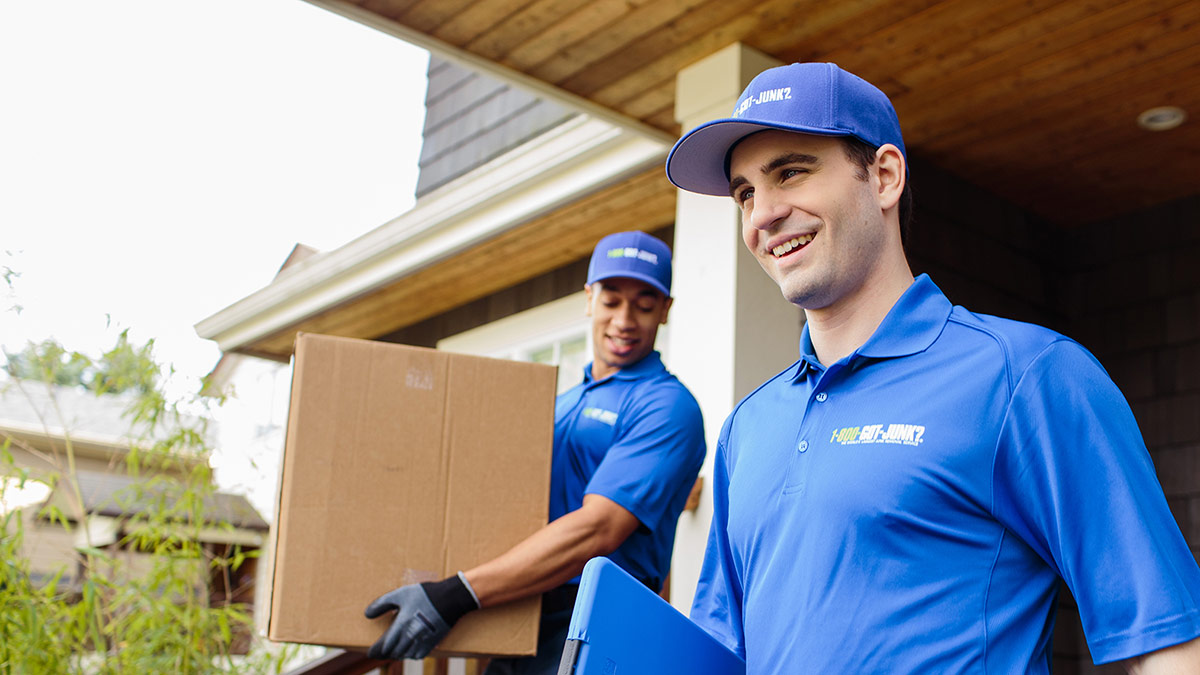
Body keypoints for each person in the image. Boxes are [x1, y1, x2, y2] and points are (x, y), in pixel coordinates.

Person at [664, 62, 1200, 673]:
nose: (761, 216)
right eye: (745, 193)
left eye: (790, 171)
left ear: (885, 176)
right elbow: (714, 655)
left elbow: (1165, 645)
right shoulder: (747, 428)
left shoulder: (1027, 376)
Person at [363, 230, 706, 674]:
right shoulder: (565, 402)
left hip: (596, 625)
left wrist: (455, 594)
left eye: (643, 304)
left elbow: (599, 528)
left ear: (664, 310)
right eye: (611, 300)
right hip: (519, 612)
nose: (624, 319)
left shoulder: (666, 406)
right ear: (589, 300)